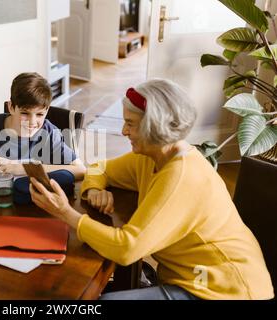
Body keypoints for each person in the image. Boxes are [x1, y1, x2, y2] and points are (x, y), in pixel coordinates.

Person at [29, 78, 274, 300]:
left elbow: (127, 249)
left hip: (225, 291)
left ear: (155, 126)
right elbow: (98, 168)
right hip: (191, 278)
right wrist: (93, 191)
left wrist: (65, 213)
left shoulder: (182, 176)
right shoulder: (152, 156)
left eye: (131, 124)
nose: (124, 131)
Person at [0, 72, 86, 180]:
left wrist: (24, 168)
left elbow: (80, 169)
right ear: (11, 107)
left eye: (40, 114)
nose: (32, 121)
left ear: (47, 111)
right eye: (25, 113)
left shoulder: (50, 133)